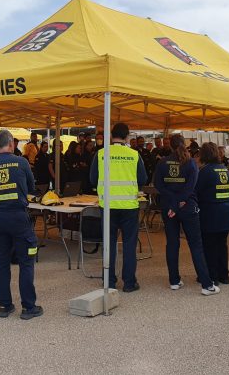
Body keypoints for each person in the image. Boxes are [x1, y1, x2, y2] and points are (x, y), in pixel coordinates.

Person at [0, 129, 42, 319]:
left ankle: (5, 306)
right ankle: (28, 307)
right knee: (26, 262)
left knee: (1, 263)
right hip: (18, 217)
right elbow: (32, 187)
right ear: (11, 143)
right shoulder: (21, 162)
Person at [155, 134, 219, 295]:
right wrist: (179, 203)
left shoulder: (162, 162)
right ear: (184, 144)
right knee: (196, 245)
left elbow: (158, 186)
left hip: (169, 208)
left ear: (169, 146)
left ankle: (174, 281)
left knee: (172, 243)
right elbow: (191, 188)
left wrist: (173, 204)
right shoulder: (191, 163)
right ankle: (206, 285)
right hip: (187, 207)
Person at [90, 123, 148, 292]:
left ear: (111, 136)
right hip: (129, 206)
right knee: (129, 245)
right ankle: (129, 283)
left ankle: (109, 281)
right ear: (127, 136)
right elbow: (143, 179)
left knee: (109, 244)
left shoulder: (100, 154)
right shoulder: (134, 155)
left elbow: (93, 179)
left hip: (107, 206)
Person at [195, 142, 229, 285]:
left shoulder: (205, 171)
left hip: (211, 213)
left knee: (209, 246)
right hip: (226, 211)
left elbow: (196, 191)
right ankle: (224, 275)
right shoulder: (225, 170)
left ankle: (212, 277)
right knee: (222, 245)